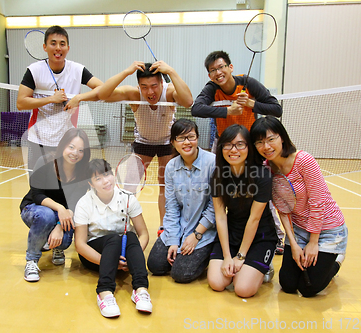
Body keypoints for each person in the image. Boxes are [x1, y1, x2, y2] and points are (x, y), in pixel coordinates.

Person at [191, 50, 285, 253]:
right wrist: (227, 111)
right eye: (213, 70)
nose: (218, 72)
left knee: (259, 191)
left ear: (230, 67)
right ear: (209, 75)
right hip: (225, 149)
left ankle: (276, 236)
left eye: (221, 67)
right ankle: (224, 231)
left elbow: (276, 109)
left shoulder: (248, 83)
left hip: (249, 147)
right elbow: (196, 109)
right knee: (226, 189)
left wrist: (252, 104)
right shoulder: (211, 89)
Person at [250, 116, 348, 297]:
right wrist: (293, 243)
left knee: (308, 288)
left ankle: (336, 261)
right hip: (298, 229)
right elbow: (282, 209)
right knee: (287, 284)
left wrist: (313, 242)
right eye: (259, 142)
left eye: (271, 139)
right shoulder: (267, 168)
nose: (266, 146)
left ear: (282, 138)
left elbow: (317, 203)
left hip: (327, 229)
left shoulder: (304, 161)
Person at [98, 61, 194, 235]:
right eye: (144, 87)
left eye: (154, 86)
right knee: (129, 187)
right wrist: (126, 71)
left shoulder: (170, 91)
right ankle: (122, 225)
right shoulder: (134, 94)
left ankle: (165, 228)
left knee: (165, 187)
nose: (150, 92)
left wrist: (171, 71)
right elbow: (103, 94)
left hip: (166, 143)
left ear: (162, 84)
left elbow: (188, 101)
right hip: (143, 143)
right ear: (139, 86)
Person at [16, 25, 103, 170]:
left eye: (62, 44)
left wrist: (78, 98)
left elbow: (101, 89)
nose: (58, 48)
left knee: (64, 186)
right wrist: (51, 99)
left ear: (68, 48)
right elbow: (21, 103)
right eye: (53, 43)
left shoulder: (77, 70)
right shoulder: (34, 70)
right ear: (45, 47)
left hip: (67, 141)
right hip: (39, 139)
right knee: (38, 186)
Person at [74, 159, 152, 318]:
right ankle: (104, 292)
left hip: (123, 254)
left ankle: (141, 290)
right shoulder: (83, 204)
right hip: (95, 256)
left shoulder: (128, 198)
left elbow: (143, 234)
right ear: (91, 183)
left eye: (107, 174)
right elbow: (80, 244)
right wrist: (108, 261)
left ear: (113, 174)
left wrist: (131, 257)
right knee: (114, 239)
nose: (105, 181)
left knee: (130, 235)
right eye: (98, 179)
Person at [207, 124, 278, 298]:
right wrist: (227, 256)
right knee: (217, 283)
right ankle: (249, 269)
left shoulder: (262, 176)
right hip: (232, 235)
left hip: (260, 237)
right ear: (221, 147)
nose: (233, 150)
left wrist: (240, 256)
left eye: (240, 144)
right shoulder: (218, 175)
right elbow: (221, 216)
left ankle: (262, 269)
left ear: (249, 148)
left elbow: (254, 219)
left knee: (243, 290)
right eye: (228, 144)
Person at [146, 119, 216, 283]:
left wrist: (196, 235)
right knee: (155, 265)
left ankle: (208, 251)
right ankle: (181, 252)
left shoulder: (212, 163)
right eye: (181, 138)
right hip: (179, 226)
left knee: (181, 274)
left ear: (197, 138)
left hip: (204, 230)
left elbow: (215, 208)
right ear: (173, 142)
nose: (187, 142)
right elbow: (171, 207)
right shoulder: (170, 166)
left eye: (191, 137)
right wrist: (173, 241)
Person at [20, 128, 91, 282]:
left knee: (65, 240)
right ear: (63, 146)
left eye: (80, 150)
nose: (75, 153)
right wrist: (60, 209)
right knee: (46, 216)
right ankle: (31, 261)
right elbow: (37, 194)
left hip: (63, 214)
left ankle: (55, 247)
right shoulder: (45, 162)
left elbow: (76, 203)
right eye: (71, 147)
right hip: (34, 208)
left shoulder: (83, 172)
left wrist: (59, 226)